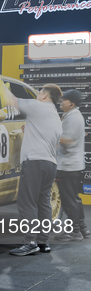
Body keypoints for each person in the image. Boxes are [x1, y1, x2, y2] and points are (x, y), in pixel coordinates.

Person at [1, 82, 63, 256]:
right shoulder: (54, 117)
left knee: (27, 202)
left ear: (44, 95)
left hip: (35, 162)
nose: (38, 94)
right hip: (50, 164)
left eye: (40, 91)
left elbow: (10, 99)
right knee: (43, 202)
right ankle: (43, 242)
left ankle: (30, 242)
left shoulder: (37, 106)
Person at [55, 89, 89, 241]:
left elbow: (68, 141)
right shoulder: (73, 116)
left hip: (68, 166)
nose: (61, 102)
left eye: (64, 100)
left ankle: (74, 232)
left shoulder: (73, 118)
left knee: (69, 201)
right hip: (72, 166)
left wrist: (51, 134)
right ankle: (82, 228)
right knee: (74, 199)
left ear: (72, 103)